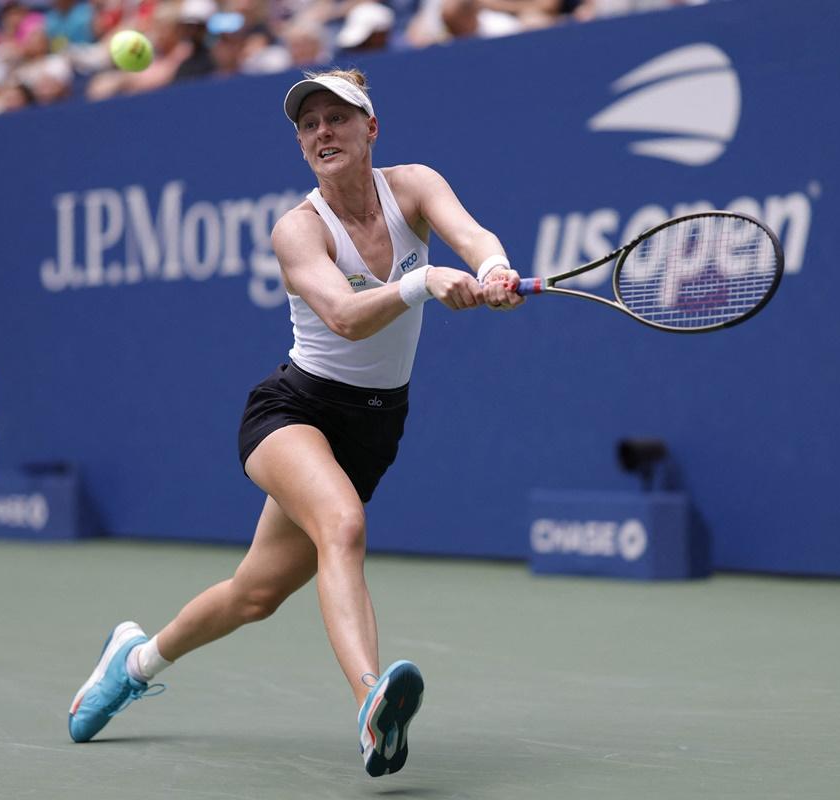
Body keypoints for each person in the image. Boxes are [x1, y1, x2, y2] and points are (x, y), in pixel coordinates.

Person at [66, 68, 525, 777]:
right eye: (308, 124)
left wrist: (492, 270)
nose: (322, 132)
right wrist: (422, 282)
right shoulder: (297, 228)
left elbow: (472, 233)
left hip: (374, 426)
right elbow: (343, 317)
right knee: (342, 524)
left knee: (253, 595)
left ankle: (131, 662)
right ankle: (374, 706)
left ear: (371, 129)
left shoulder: (414, 186)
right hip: (294, 410)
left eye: (337, 118)